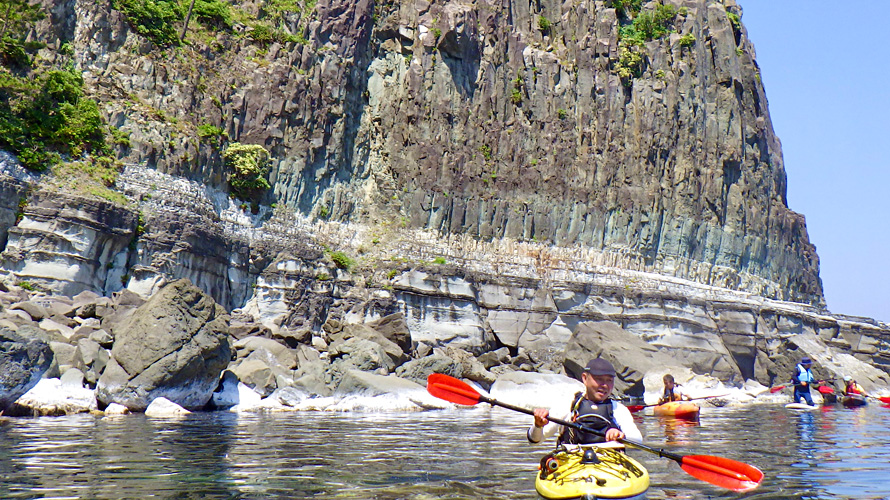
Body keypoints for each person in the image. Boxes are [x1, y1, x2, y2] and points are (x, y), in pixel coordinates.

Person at [528, 358, 642, 445]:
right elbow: (535, 440)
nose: (605, 385)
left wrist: (620, 435)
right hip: (572, 463)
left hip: (608, 464)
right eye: (599, 379)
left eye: (609, 381)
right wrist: (538, 425)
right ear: (584, 378)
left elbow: (637, 439)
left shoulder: (618, 409)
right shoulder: (568, 404)